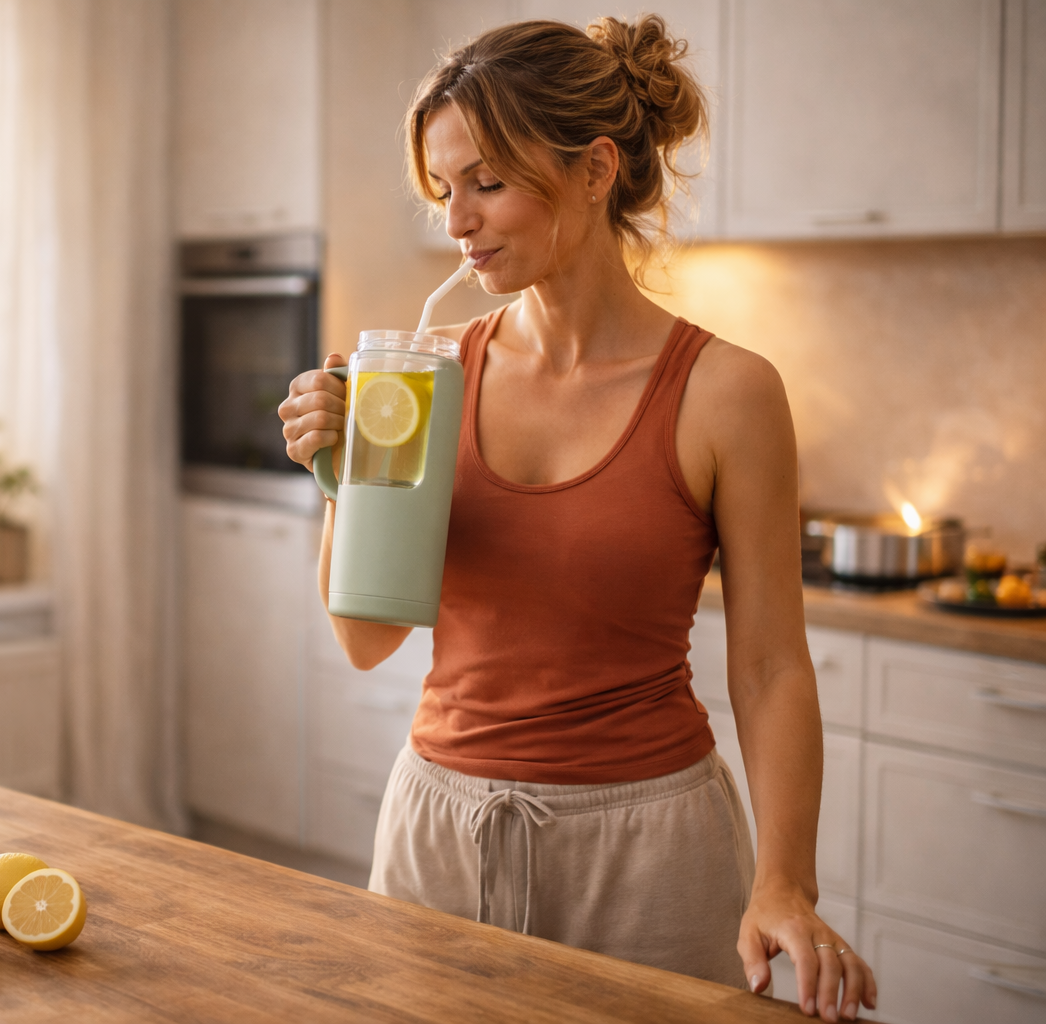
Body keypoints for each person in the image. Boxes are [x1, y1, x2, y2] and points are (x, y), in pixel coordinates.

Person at [277, 16, 877, 1023]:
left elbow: (773, 664)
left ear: (595, 169)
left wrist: (786, 883)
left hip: (651, 852)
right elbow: (368, 636)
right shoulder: (427, 376)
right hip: (440, 830)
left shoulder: (726, 393)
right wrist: (344, 476)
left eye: (488, 182)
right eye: (443, 191)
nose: (457, 222)